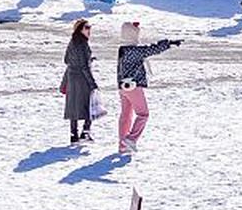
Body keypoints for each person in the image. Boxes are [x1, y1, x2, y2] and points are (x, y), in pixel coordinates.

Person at [114, 21, 177, 156]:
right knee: (143, 114)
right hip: (133, 86)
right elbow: (151, 49)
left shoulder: (123, 49)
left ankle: (123, 146)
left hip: (123, 87)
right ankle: (131, 139)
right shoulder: (134, 51)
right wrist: (168, 43)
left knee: (126, 115)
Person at [61, 19, 99, 144]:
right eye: (86, 27)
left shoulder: (72, 41)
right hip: (82, 78)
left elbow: (66, 59)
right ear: (80, 29)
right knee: (90, 104)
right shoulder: (82, 43)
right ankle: (85, 132)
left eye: (90, 27)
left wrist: (86, 59)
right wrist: (92, 83)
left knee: (73, 106)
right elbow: (84, 66)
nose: (89, 30)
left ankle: (74, 135)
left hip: (71, 77)